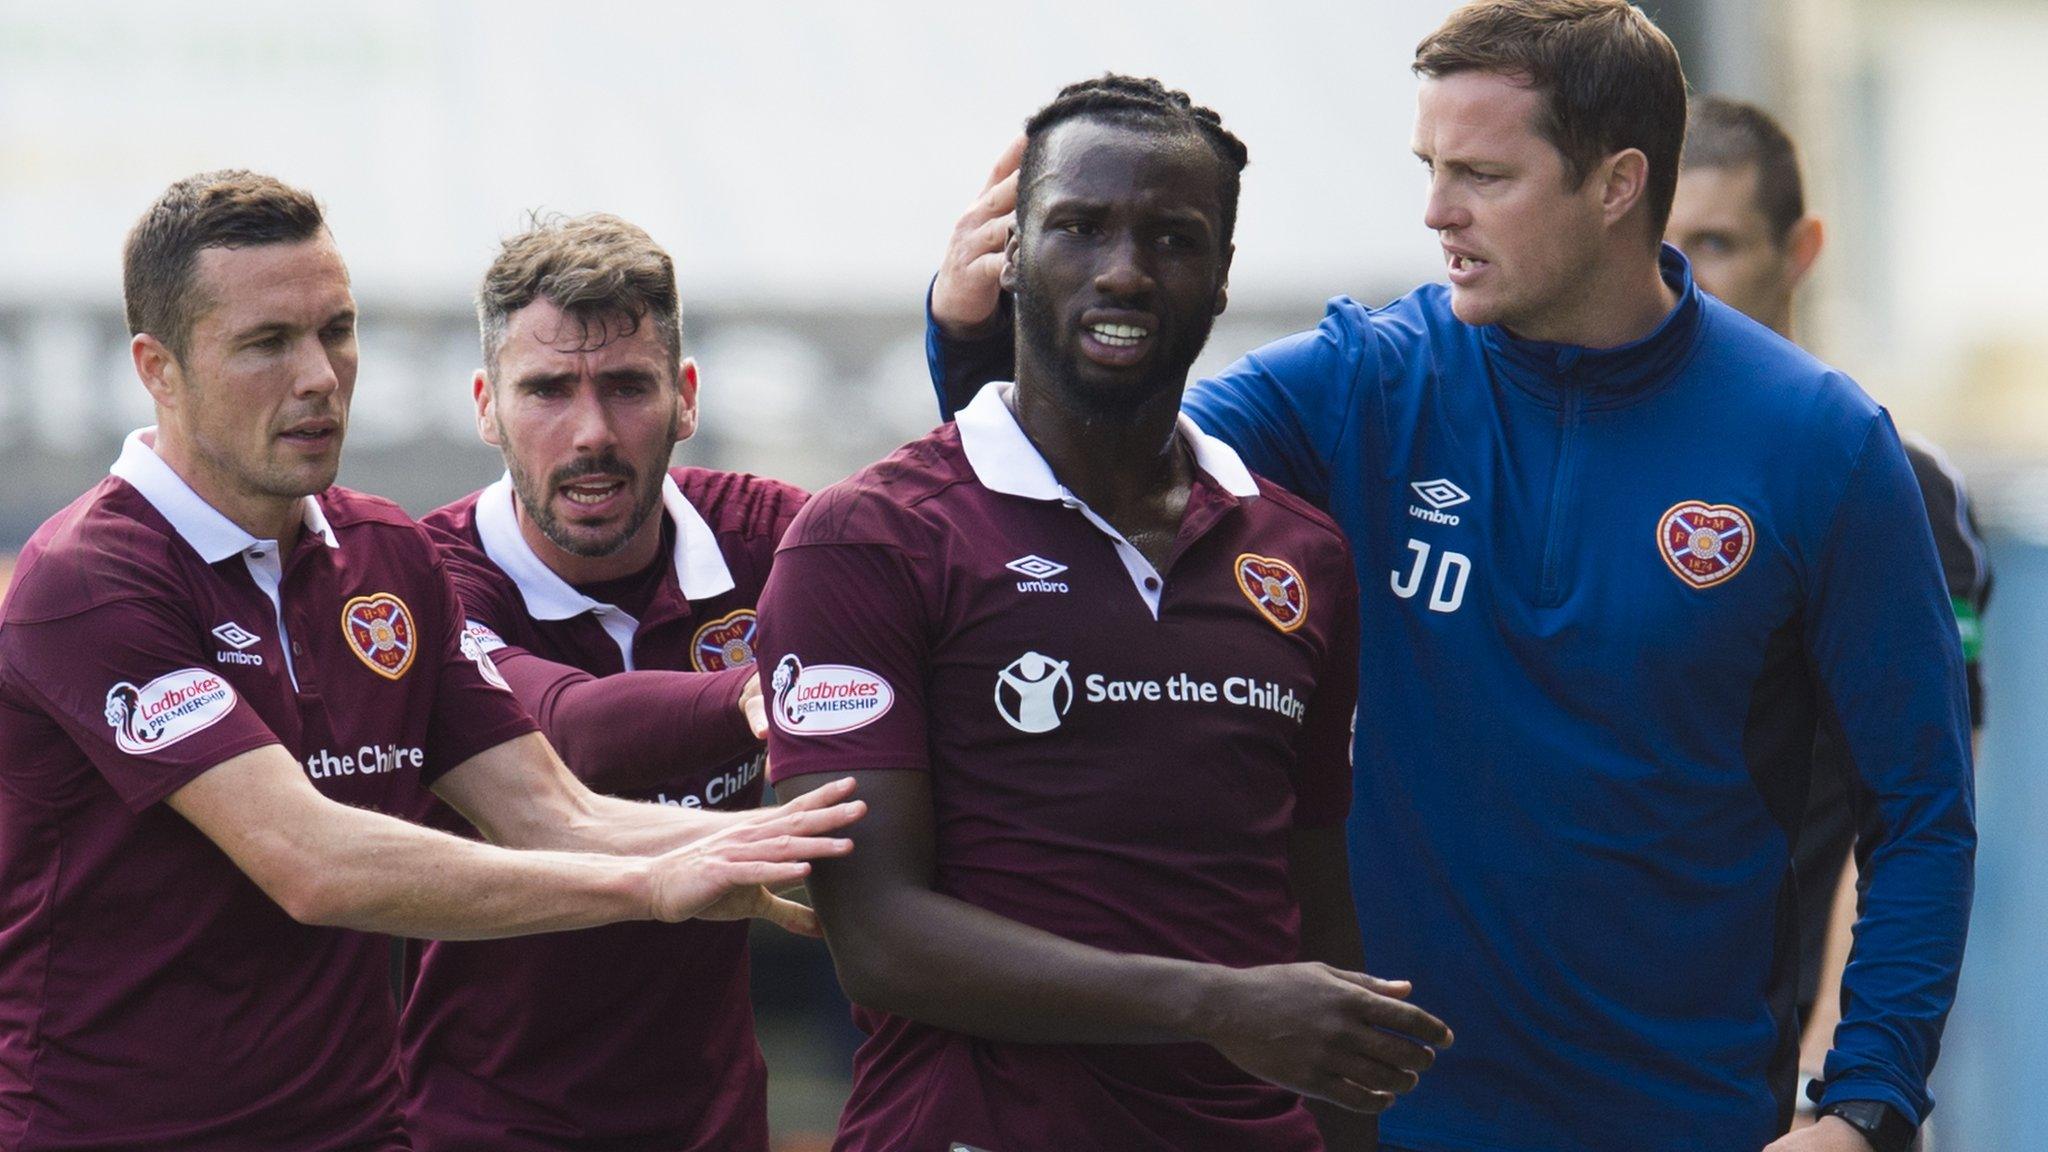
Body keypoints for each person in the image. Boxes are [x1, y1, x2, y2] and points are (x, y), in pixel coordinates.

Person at [923, 6, 1976, 1152]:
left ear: (1617, 184)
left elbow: (1919, 809)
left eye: (1480, 173)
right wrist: (975, 343)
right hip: (1383, 1126)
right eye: (1428, 168)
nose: (1435, 210)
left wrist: (1863, 1107)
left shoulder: (1817, 442)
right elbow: (1077, 500)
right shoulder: (1360, 384)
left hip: (1692, 1122)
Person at [0, 170, 863, 1150]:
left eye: (336, 329)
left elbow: (548, 811)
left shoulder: (382, 553)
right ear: (158, 369)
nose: (320, 374)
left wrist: (755, 853)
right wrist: (650, 885)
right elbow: (310, 861)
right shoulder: (89, 578)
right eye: (267, 343)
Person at [761, 76, 1453, 1152]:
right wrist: (1212, 1004)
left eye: (1170, 239)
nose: (1122, 272)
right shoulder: (867, 538)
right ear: (1012, 254)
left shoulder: (1301, 555)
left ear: (1220, 279)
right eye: (1078, 228)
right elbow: (877, 936)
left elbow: (1315, 920)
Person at [398, 213, 807, 1151]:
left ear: (686, 398)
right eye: (547, 390)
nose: (591, 433)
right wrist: (751, 694)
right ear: (485, 405)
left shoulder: (781, 541)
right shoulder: (423, 574)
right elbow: (562, 731)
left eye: (627, 387)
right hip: (479, 1125)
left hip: (716, 1124)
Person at [1668, 94, 1994, 1137]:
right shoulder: (1591, 466)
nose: (1680, 277)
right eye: (1658, 243)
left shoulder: (1885, 482)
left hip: (1808, 1074)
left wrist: (1837, 1078)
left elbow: (1911, 804)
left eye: (1713, 242)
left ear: (1798, 250)